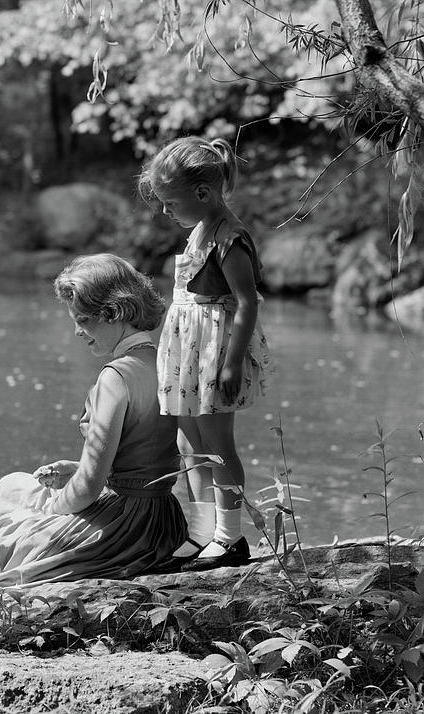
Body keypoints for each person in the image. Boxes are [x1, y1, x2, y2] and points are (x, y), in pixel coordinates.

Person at [0, 254, 186, 598]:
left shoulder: (115, 378)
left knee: (11, 494)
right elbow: (146, 455)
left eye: (84, 320)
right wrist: (78, 468)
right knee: (16, 487)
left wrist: (49, 509)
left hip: (125, 526)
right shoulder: (166, 362)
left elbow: (89, 489)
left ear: (114, 313)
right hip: (163, 521)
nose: (78, 331)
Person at [138, 136, 272, 572]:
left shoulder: (230, 238)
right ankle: (202, 532)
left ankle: (229, 538)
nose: (164, 210)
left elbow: (246, 302)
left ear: (202, 193)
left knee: (217, 445)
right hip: (187, 351)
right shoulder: (200, 227)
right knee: (188, 441)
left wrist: (231, 362)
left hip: (213, 352)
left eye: (169, 202)